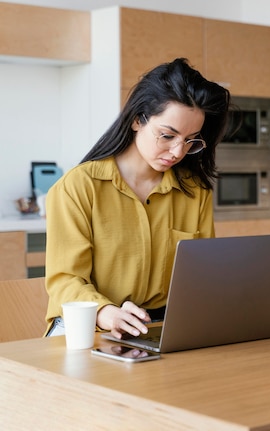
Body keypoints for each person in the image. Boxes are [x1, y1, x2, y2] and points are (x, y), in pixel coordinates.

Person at [45, 58, 231, 339]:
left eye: (191, 139)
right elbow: (64, 280)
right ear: (137, 120)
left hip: (160, 328)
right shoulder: (78, 187)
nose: (178, 151)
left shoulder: (195, 192)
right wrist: (106, 312)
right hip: (87, 327)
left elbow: (203, 275)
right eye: (168, 135)